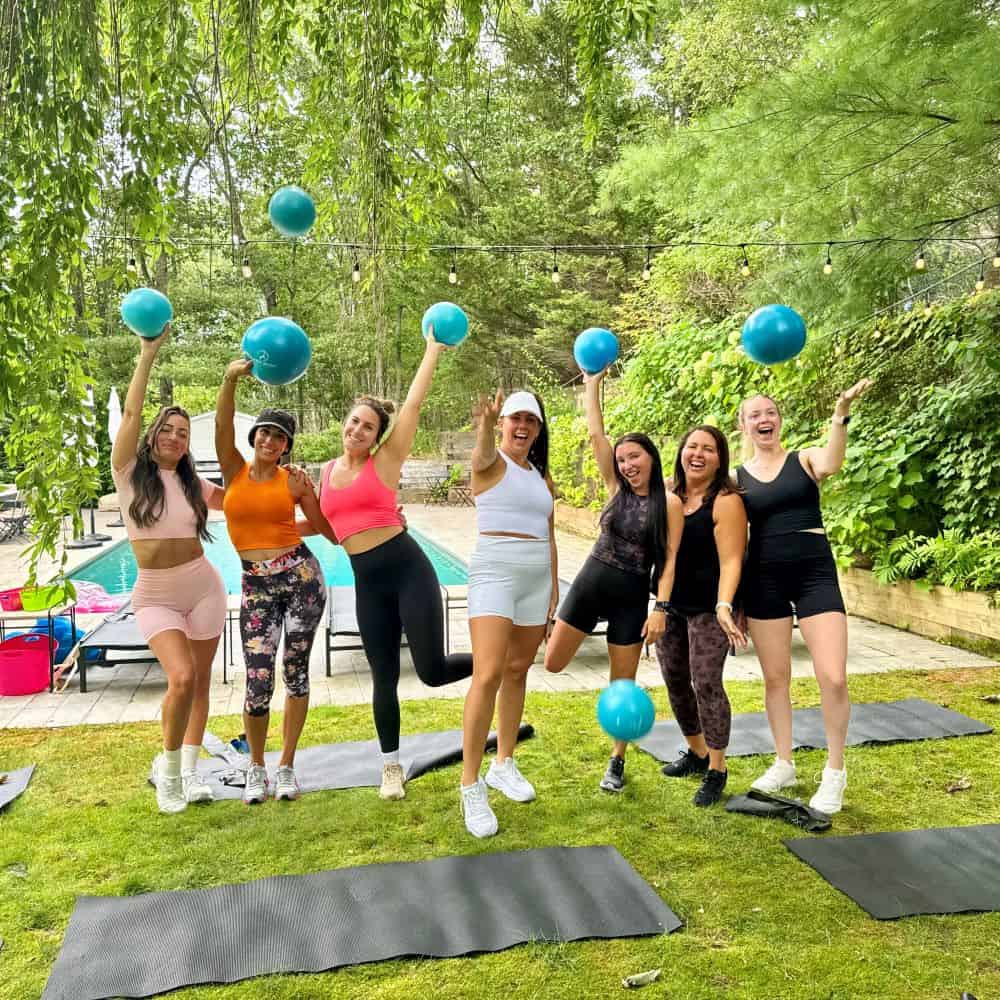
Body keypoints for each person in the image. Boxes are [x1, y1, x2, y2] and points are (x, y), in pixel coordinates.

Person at [318, 331, 473, 801]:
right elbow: (333, 527)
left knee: (429, 671)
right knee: (382, 676)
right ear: (343, 424)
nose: (357, 430)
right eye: (353, 422)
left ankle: (498, 662)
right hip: (367, 583)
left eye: (368, 426)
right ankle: (390, 767)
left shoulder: (384, 462)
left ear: (378, 436)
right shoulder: (324, 472)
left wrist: (432, 350)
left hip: (408, 570)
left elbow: (412, 407)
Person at [735, 380, 872, 814]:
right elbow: (691, 486)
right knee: (776, 679)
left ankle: (835, 771)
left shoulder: (804, 460)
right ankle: (784, 761)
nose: (764, 419)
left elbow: (832, 460)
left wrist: (840, 412)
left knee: (833, 676)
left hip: (814, 574)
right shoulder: (736, 478)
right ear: (743, 425)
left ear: (779, 421)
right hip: (763, 579)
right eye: (754, 414)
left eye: (769, 412)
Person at [545, 366, 683, 793]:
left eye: (634, 457)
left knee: (621, 684)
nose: (626, 465)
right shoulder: (615, 488)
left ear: (651, 457)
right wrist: (591, 384)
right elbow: (596, 437)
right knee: (552, 662)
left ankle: (616, 760)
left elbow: (670, 560)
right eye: (621, 460)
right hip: (590, 581)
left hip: (629, 595)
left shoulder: (670, 502)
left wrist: (660, 609)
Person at [111, 326, 227, 814]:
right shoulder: (127, 474)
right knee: (179, 678)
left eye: (184, 433)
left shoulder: (193, 483)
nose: (177, 437)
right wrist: (147, 353)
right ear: (153, 434)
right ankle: (169, 770)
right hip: (155, 595)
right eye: (169, 429)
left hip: (203, 588)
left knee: (199, 683)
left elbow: (244, 502)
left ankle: (192, 771)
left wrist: (304, 492)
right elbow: (132, 412)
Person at [216, 359, 332, 804]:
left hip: (301, 579)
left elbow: (322, 528)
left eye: (278, 436)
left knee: (295, 672)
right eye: (264, 432)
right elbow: (223, 425)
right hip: (256, 587)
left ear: (285, 446)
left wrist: (311, 495)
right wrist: (230, 380)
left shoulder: (293, 482)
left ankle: (285, 766)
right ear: (255, 438)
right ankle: (256, 768)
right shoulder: (234, 471)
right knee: (258, 677)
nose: (269, 439)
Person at [459, 389, 558, 837]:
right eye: (515, 419)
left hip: (536, 580)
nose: (522, 427)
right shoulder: (491, 463)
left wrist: (554, 588)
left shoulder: (540, 476)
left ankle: (504, 763)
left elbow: (550, 534)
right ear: (503, 423)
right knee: (488, 674)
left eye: (531, 422)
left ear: (538, 430)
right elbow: (479, 461)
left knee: (519, 671)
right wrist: (483, 425)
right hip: (495, 572)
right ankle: (470, 784)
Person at [656, 425, 747, 807]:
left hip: (710, 608)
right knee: (674, 677)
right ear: (680, 452)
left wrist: (725, 605)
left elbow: (731, 560)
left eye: (707, 449)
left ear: (719, 458)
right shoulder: (669, 494)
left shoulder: (725, 500)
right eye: (691, 446)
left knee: (706, 680)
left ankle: (717, 767)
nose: (697, 454)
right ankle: (696, 753)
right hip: (671, 603)